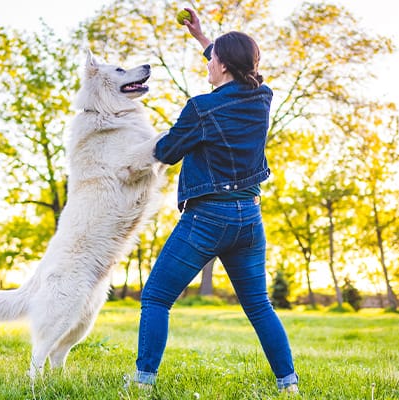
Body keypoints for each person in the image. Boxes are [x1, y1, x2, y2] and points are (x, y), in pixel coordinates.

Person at [128, 8, 299, 394]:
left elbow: (168, 152)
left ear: (222, 65)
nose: (209, 66)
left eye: (213, 59)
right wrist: (205, 40)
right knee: (259, 307)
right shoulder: (262, 99)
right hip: (249, 220)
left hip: (207, 219)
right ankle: (288, 385)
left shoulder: (200, 109)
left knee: (155, 297)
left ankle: (143, 382)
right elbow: (243, 74)